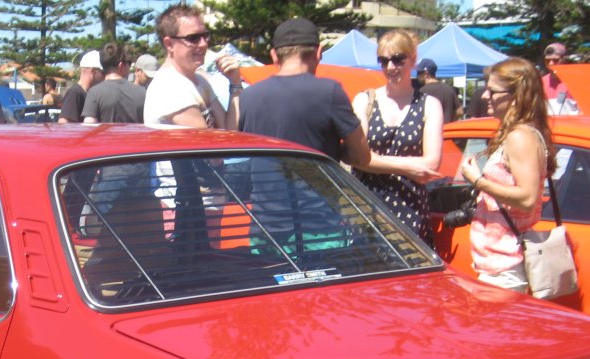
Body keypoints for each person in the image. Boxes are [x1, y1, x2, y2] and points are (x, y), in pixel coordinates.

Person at [459, 57, 557, 293]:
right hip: (500, 263)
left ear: (516, 95)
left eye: (492, 91)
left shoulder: (520, 137)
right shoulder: (522, 133)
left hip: (506, 266)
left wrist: (478, 181)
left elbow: (527, 197)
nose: (485, 96)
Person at [352, 30, 443, 243]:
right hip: (366, 208)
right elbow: (358, 157)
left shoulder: (429, 104)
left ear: (413, 59)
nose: (390, 67)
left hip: (410, 209)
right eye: (383, 61)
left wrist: (373, 159)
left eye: (397, 59)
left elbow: (431, 164)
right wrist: (408, 167)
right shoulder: (364, 100)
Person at [238, 18, 369, 165]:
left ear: (274, 56)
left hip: (265, 188)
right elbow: (362, 157)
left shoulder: (248, 96)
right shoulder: (330, 92)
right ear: (319, 52)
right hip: (316, 187)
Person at [144, 3, 242, 129]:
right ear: (169, 44)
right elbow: (212, 145)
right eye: (193, 38)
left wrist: (235, 84)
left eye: (205, 36)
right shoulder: (169, 87)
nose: (203, 44)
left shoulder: (199, 80)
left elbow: (229, 131)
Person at [82, 43, 146, 124]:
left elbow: (89, 124)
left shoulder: (94, 93)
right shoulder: (142, 92)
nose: (130, 68)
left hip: (106, 137)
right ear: (121, 66)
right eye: (129, 63)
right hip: (136, 136)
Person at [58, 51, 103, 124]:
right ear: (94, 71)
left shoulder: (88, 93)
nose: (104, 76)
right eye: (102, 72)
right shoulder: (75, 93)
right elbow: (64, 124)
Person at [416, 58, 462, 122]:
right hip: (448, 130)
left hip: (430, 131)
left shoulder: (421, 92)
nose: (417, 76)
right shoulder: (449, 89)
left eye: (419, 73)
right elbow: (460, 112)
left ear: (426, 74)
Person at [541, 42, 579, 115]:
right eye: (547, 61)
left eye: (555, 60)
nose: (551, 64)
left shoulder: (575, 82)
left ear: (564, 60)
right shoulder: (541, 82)